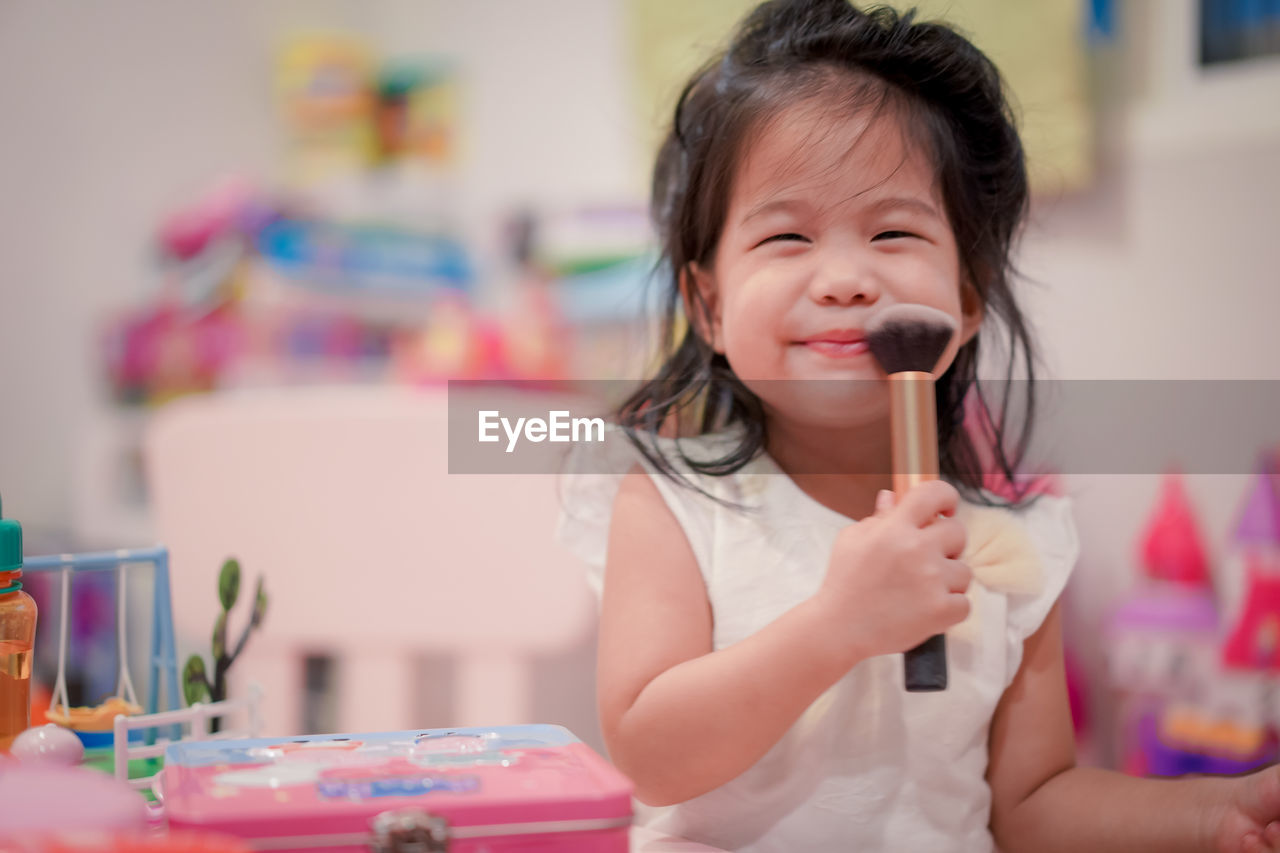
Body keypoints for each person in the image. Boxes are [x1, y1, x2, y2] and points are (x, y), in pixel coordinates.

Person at [559, 1, 1280, 850]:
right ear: (709, 306)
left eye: (893, 231)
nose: (845, 278)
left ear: (967, 301)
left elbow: (1033, 805)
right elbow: (653, 755)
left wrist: (1209, 812)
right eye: (788, 235)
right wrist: (838, 622)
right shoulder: (674, 499)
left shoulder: (1016, 546)